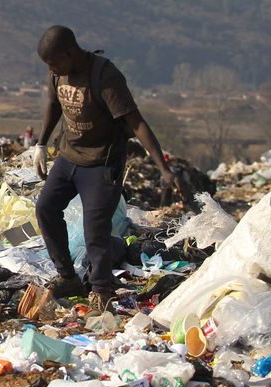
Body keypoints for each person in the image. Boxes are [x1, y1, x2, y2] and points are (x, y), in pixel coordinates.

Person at [32, 25, 176, 309]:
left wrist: (163, 167)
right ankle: (67, 276)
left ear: (70, 53)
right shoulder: (57, 72)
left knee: (95, 230)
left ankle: (102, 289)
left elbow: (136, 123)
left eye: (55, 62)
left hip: (101, 163)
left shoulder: (105, 77)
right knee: (46, 208)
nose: (53, 69)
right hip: (69, 156)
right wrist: (41, 144)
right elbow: (54, 104)